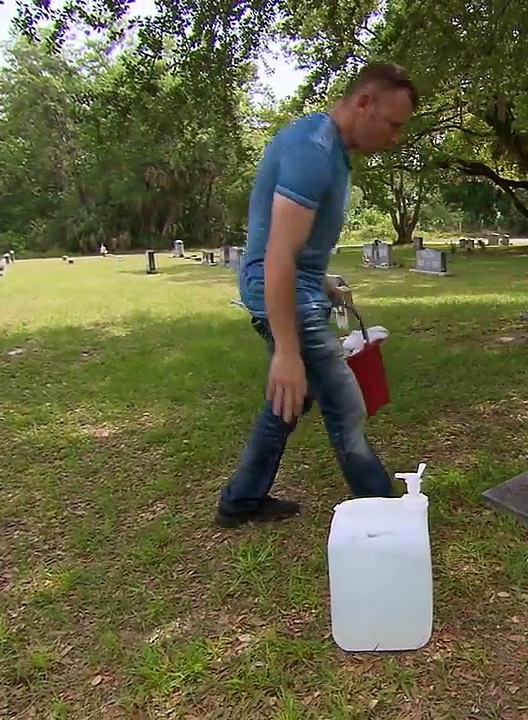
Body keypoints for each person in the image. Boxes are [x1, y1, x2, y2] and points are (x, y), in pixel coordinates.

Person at [216, 62, 419, 529]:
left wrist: (325, 281)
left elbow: (299, 253)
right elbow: (278, 256)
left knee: (291, 400)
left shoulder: (331, 152)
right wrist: (287, 351)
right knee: (345, 404)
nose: (395, 137)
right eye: (392, 124)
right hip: (282, 292)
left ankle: (241, 499)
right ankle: (385, 508)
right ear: (364, 102)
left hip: (302, 287)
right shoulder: (312, 150)